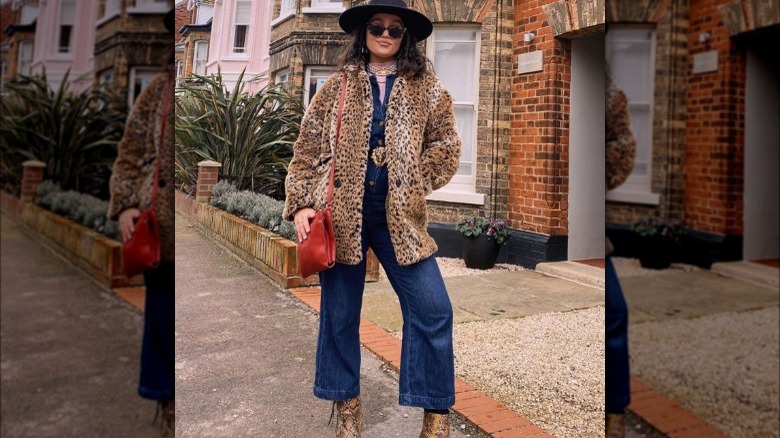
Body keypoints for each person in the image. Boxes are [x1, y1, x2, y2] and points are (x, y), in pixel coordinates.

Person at [283, 1, 461, 436]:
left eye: (395, 30)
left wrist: (411, 178)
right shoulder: (334, 86)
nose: (385, 34)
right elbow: (305, 151)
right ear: (363, 32)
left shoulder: (428, 88)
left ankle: (435, 416)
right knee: (340, 316)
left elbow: (448, 146)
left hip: (399, 219)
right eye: (377, 27)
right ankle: (347, 410)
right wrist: (302, 204)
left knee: (434, 309)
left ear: (407, 38)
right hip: (341, 217)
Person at [107, 9, 176, 438]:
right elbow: (130, 151)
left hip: (188, 231)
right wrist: (125, 205)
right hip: (159, 233)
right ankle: (170, 412)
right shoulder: (157, 89)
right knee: (163, 325)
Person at [605, 67, 637, 438]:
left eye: (395, 29)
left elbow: (624, 146)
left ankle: (615, 413)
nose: (386, 35)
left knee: (615, 310)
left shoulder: (609, 91)